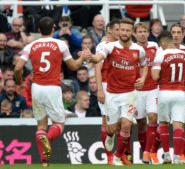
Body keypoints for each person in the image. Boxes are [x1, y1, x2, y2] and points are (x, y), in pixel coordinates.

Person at [14, 16, 89, 167]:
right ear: (53, 28)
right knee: (59, 124)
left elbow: (17, 68)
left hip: (37, 88)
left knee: (40, 126)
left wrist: (21, 83)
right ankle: (47, 138)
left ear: (39, 30)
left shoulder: (31, 46)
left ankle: (44, 161)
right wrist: (82, 58)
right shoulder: (60, 44)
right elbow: (74, 67)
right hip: (53, 88)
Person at [89, 18, 147, 166]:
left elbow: (144, 65)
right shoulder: (110, 47)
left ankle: (117, 156)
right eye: (122, 30)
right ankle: (110, 136)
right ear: (118, 31)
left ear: (132, 32)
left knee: (127, 125)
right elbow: (98, 58)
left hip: (130, 94)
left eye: (128, 30)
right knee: (112, 129)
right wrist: (91, 56)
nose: (124, 32)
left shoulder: (139, 50)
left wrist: (143, 78)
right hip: (112, 93)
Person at [152, 31, 185, 164]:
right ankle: (178, 156)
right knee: (178, 124)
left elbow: (155, 76)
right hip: (180, 92)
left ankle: (167, 154)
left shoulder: (160, 54)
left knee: (163, 123)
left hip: (164, 92)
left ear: (162, 43)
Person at [94, 19, 120, 165]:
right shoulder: (103, 46)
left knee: (123, 122)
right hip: (106, 86)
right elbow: (98, 68)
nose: (120, 32)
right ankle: (109, 157)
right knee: (106, 121)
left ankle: (121, 154)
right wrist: (100, 89)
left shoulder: (122, 46)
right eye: (117, 29)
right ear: (109, 31)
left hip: (121, 87)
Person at [133, 22, 159, 164]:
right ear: (135, 34)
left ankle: (148, 152)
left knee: (153, 117)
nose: (143, 34)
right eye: (140, 31)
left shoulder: (155, 47)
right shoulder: (132, 48)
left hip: (153, 88)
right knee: (141, 123)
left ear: (148, 33)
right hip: (136, 91)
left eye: (145, 31)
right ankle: (146, 152)